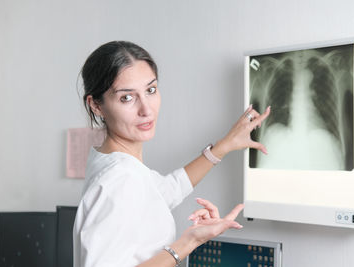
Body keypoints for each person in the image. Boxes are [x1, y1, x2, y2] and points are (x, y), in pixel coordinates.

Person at [73, 40, 270, 267]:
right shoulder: (119, 180)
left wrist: (224, 145)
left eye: (151, 90)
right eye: (127, 97)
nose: (146, 110)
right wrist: (188, 242)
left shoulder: (111, 160)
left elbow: (166, 190)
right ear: (96, 105)